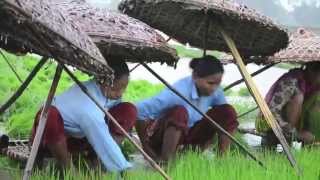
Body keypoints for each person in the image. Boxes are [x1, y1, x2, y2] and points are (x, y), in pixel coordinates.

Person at [30, 60, 137, 172]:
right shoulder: (89, 108)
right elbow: (103, 138)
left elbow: (115, 115)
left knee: (129, 110)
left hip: (80, 138)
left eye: (123, 88)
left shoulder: (105, 93)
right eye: (116, 89)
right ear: (103, 82)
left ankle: (98, 165)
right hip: (52, 140)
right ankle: (69, 170)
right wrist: (122, 165)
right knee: (50, 115)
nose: (120, 94)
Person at [135, 55, 239, 162]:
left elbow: (225, 118)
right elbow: (139, 111)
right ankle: (167, 162)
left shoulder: (215, 91)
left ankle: (222, 161)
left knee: (228, 112)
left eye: (218, 83)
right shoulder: (177, 93)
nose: (214, 88)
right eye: (210, 83)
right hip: (162, 139)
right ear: (194, 76)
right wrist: (145, 147)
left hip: (189, 137)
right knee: (180, 113)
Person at [255, 62, 320, 147]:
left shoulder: (315, 88)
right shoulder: (291, 82)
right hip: (269, 124)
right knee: (298, 97)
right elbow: (271, 113)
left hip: (292, 128)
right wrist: (296, 134)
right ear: (312, 71)